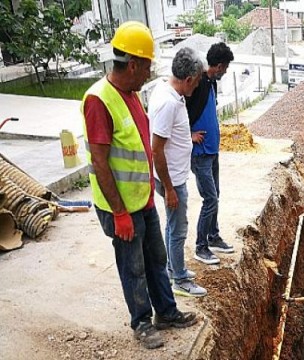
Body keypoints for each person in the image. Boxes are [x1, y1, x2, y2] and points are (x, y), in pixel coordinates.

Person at [82, 21, 197, 350]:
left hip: (142, 200)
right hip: (121, 207)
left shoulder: (130, 94)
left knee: (156, 257)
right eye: (146, 66)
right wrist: (119, 213)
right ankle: (141, 322)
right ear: (132, 64)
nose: (149, 73)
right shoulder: (99, 101)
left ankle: (166, 311)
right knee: (133, 266)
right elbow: (100, 162)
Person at [148, 47, 206, 297]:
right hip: (171, 178)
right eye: (197, 82)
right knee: (178, 228)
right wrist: (170, 188)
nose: (197, 87)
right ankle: (180, 280)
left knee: (172, 226)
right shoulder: (168, 103)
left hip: (174, 175)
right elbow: (156, 149)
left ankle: (173, 268)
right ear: (189, 79)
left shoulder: (169, 92)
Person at [185, 42, 236, 265]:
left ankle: (213, 236)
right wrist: (189, 134)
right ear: (217, 65)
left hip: (212, 151)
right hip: (200, 153)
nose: (225, 72)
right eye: (224, 68)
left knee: (216, 196)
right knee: (210, 199)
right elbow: (180, 113)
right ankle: (200, 246)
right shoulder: (198, 84)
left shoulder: (211, 84)